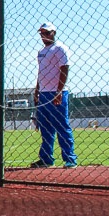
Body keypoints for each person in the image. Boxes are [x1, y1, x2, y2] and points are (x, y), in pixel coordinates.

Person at [30, 23, 77, 169]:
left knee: (62, 126)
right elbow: (41, 72)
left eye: (47, 33)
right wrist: (37, 90)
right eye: (42, 33)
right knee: (45, 128)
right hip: (43, 93)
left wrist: (59, 91)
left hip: (56, 92)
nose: (44, 35)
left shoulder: (60, 48)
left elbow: (65, 69)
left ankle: (70, 159)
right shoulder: (41, 51)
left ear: (53, 33)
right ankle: (46, 159)